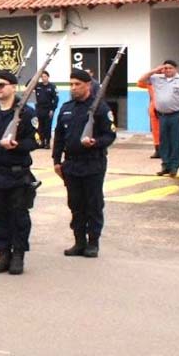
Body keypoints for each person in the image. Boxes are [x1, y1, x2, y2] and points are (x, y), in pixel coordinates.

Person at [0, 70, 40, 275]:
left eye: (2, 85)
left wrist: (17, 145)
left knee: (19, 216)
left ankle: (18, 254)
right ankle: (3, 253)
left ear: (13, 87)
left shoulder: (26, 112)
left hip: (17, 173)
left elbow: (37, 140)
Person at [53, 69, 117, 258]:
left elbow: (110, 135)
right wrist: (56, 160)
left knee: (93, 204)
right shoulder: (66, 108)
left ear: (88, 85)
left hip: (92, 163)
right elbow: (59, 136)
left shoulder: (100, 108)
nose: (73, 88)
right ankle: (79, 242)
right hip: (71, 165)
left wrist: (95, 142)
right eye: (71, 84)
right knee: (75, 204)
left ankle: (93, 243)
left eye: (77, 84)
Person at [138, 60, 179, 178]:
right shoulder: (157, 79)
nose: (167, 70)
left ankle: (174, 167)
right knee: (163, 142)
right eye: (165, 68)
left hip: (176, 115)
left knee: (175, 142)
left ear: (175, 69)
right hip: (162, 115)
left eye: (170, 68)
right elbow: (141, 79)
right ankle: (165, 165)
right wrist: (155, 70)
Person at [34, 71, 59, 149]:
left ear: (48, 77)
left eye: (45, 76)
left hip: (48, 109)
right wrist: (36, 76)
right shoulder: (38, 85)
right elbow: (28, 85)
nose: (43, 78)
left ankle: (47, 143)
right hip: (39, 109)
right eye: (42, 76)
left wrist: (52, 109)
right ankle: (41, 142)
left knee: (47, 127)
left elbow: (56, 99)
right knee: (40, 127)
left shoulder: (52, 87)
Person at [137, 79, 161, 159]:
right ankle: (158, 151)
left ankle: (168, 151)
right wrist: (152, 72)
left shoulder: (168, 84)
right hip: (154, 110)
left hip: (166, 109)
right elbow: (139, 82)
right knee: (155, 132)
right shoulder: (151, 84)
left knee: (167, 132)